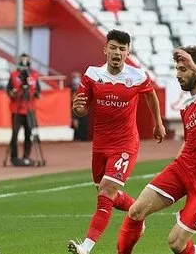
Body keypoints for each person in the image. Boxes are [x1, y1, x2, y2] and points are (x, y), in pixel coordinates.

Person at [116, 46, 196, 254]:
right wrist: (175, 164)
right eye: (177, 69)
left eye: (183, 69)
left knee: (175, 243)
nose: (178, 75)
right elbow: (189, 141)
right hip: (182, 168)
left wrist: (195, 66)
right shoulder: (186, 107)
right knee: (136, 211)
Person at [68, 29, 166, 254]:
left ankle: (86, 246)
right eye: (113, 47)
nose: (117, 52)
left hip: (125, 144)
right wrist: (79, 110)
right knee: (108, 195)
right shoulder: (92, 75)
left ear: (127, 52)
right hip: (100, 144)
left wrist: (158, 123)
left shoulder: (137, 76)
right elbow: (82, 108)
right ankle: (137, 213)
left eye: (122, 49)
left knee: (105, 193)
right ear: (105, 50)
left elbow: (150, 95)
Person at [6, 53, 40, 166]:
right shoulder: (14, 75)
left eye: (26, 60)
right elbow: (9, 92)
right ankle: (14, 157)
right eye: (22, 60)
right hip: (16, 109)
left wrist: (32, 91)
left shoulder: (34, 75)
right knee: (14, 134)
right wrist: (15, 92)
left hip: (29, 109)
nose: (24, 62)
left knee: (28, 134)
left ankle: (26, 156)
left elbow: (38, 93)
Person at [70, 72, 89, 141]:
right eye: (75, 77)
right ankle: (76, 137)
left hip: (84, 107)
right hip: (74, 108)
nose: (76, 79)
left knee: (83, 123)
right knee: (75, 123)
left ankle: (83, 137)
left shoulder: (84, 86)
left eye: (77, 77)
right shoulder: (70, 88)